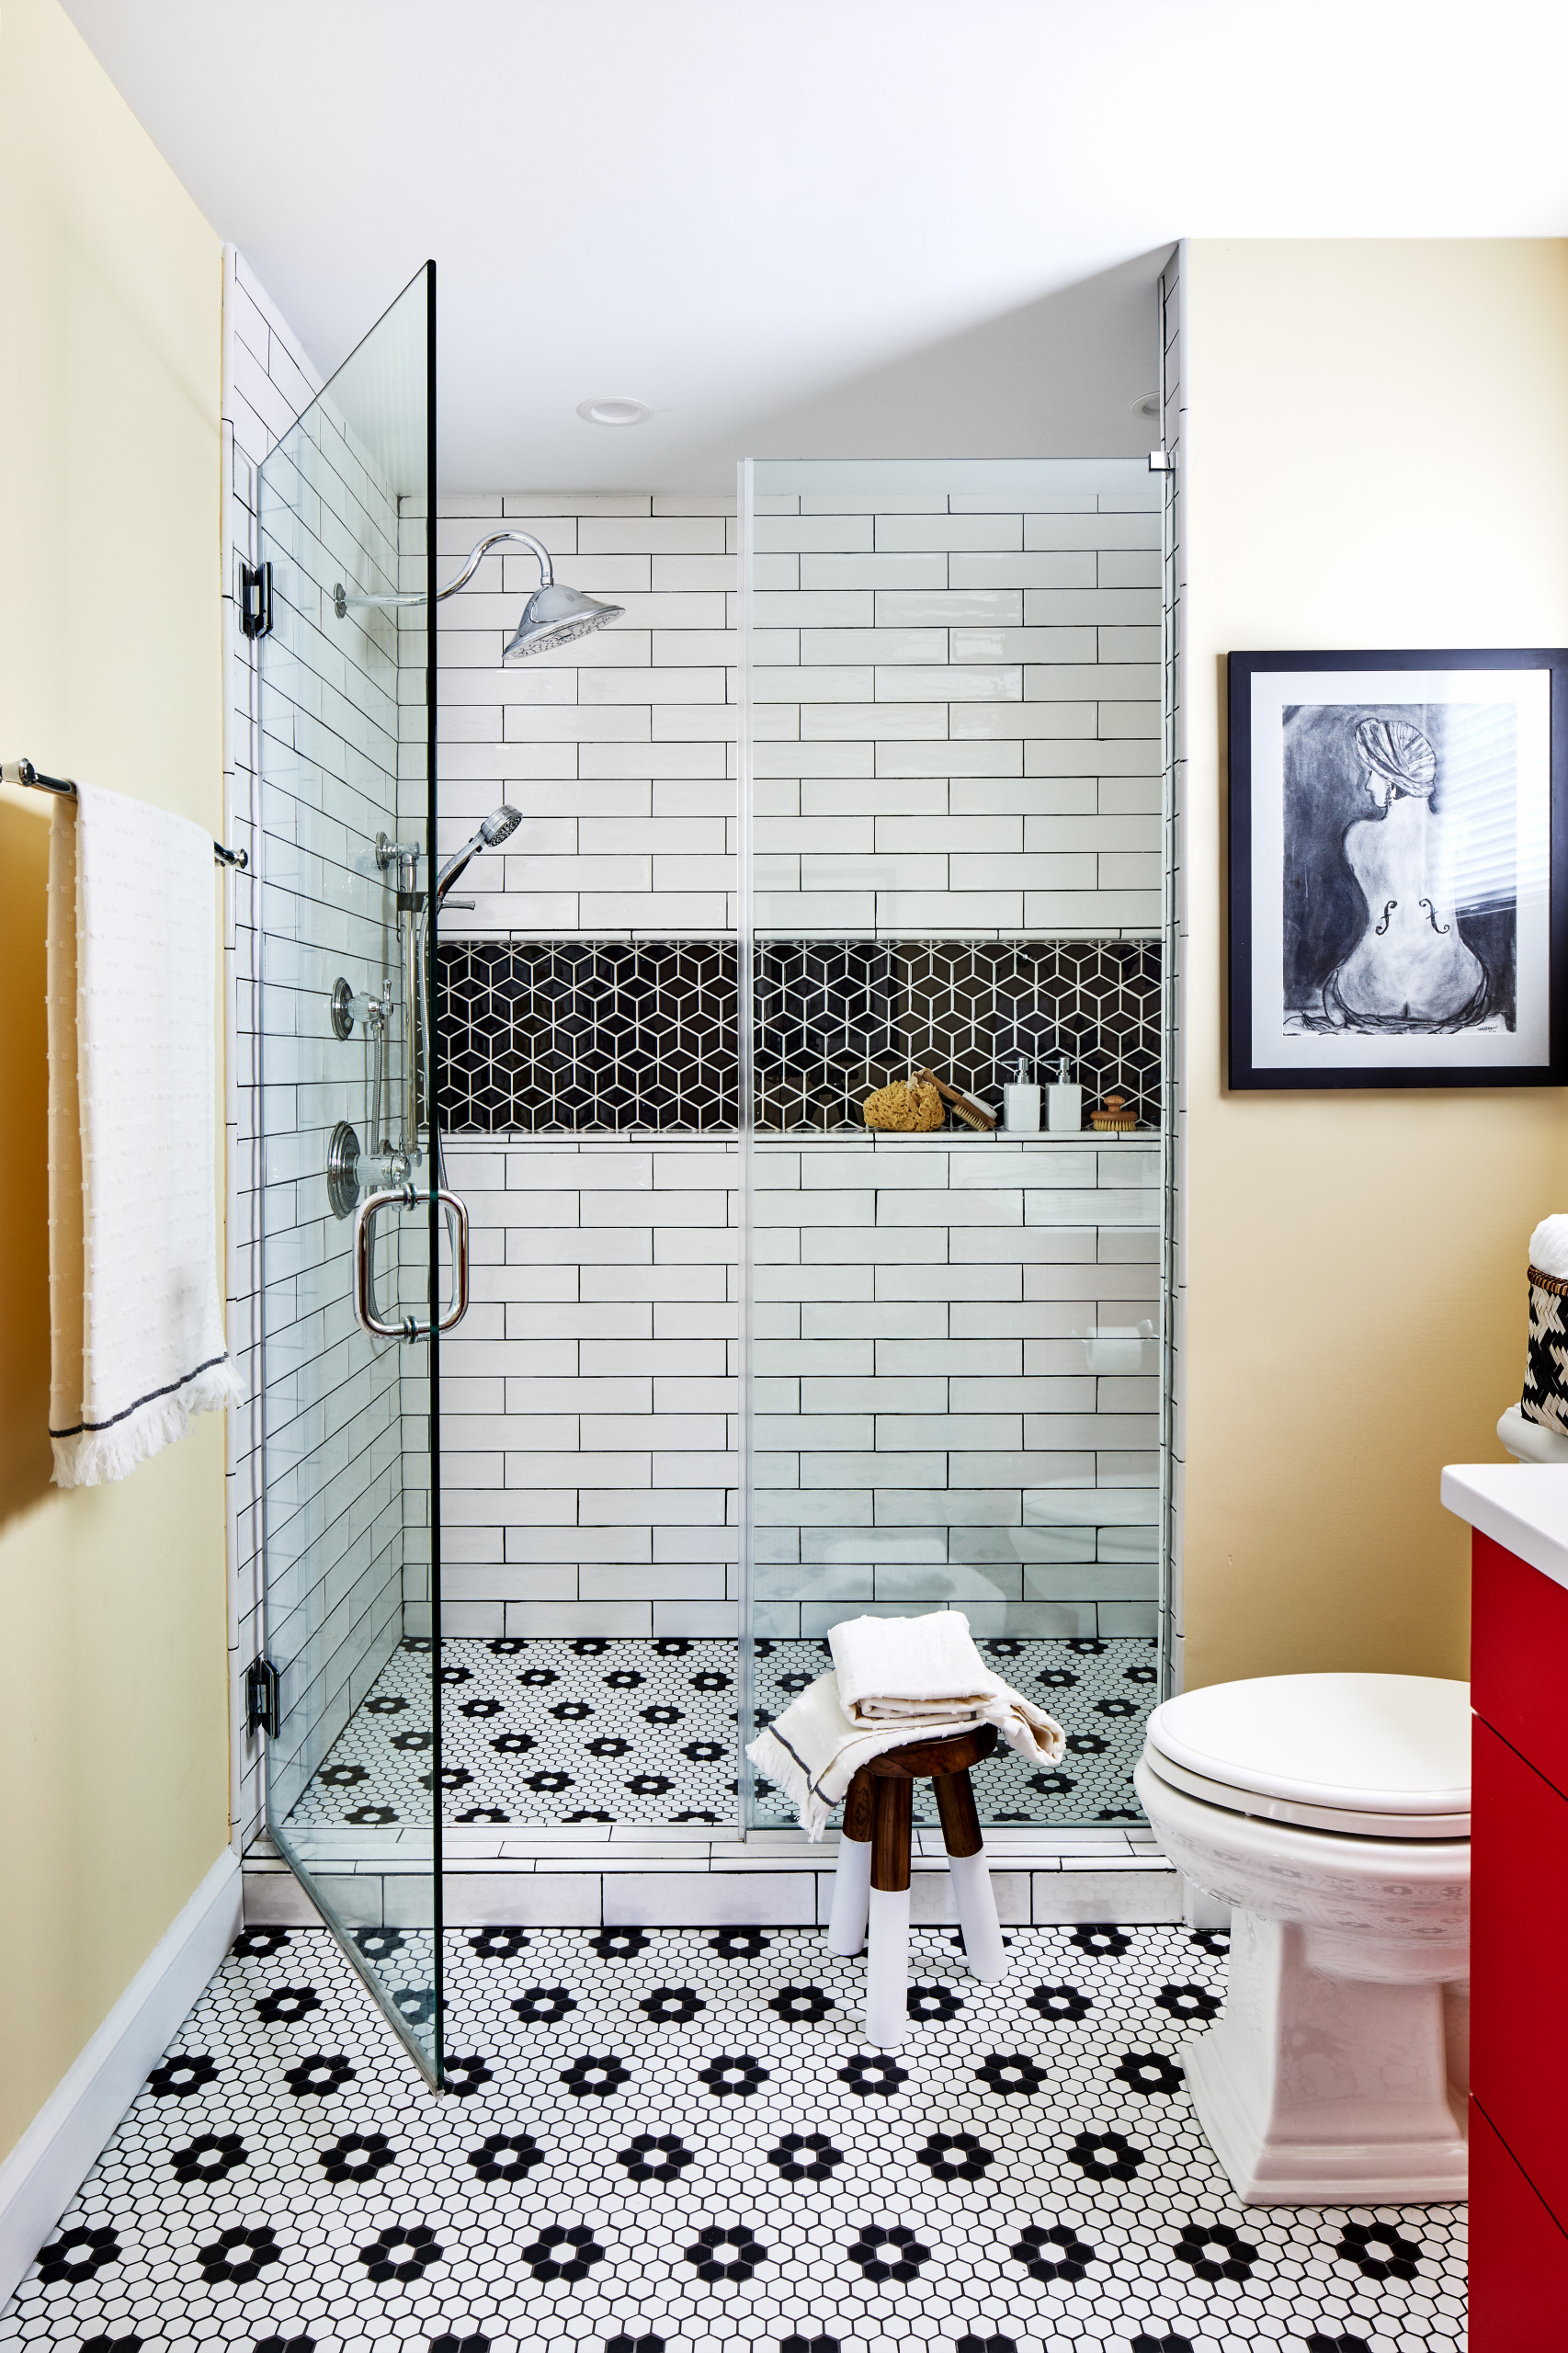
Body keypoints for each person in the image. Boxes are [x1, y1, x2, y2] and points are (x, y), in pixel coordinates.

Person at [1322, 715, 1486, 1030]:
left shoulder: (1359, 836)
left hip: (1370, 987)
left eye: (1373, 773)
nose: (1367, 783)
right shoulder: (1459, 830)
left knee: (1339, 988)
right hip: (1452, 990)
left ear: (1393, 780)